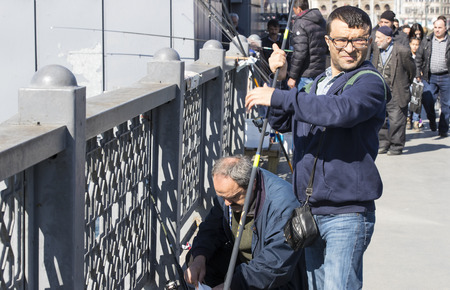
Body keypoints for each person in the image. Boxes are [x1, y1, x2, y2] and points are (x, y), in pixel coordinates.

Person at [245, 6, 389, 289]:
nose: (350, 48)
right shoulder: (318, 84)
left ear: (369, 41)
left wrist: (281, 97)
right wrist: (281, 78)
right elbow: (282, 121)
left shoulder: (369, 83)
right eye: (341, 41)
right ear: (327, 42)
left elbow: (339, 111)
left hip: (347, 215)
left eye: (358, 40)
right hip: (310, 213)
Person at [184, 156, 306, 290]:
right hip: (243, 262)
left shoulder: (283, 204)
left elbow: (275, 262)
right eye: (222, 196)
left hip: (276, 276)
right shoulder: (228, 195)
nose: (227, 203)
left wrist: (232, 286)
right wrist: (199, 259)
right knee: (198, 258)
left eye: (234, 197)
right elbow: (211, 229)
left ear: (252, 184)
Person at [372, 26, 416, 155]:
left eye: (379, 38)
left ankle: (396, 146)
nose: (376, 40)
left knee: (397, 121)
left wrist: (403, 84)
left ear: (388, 39)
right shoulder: (377, 49)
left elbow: (411, 71)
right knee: (381, 119)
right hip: (380, 92)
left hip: (396, 91)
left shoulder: (402, 51)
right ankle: (383, 143)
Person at [415, 15, 450, 137]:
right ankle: (431, 119)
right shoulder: (427, 40)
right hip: (430, 77)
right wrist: (417, 72)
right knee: (427, 99)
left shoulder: (449, 41)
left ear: (446, 28)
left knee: (446, 104)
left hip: (446, 76)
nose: (437, 30)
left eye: (440, 27)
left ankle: (443, 129)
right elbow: (419, 57)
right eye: (435, 27)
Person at [287, 0, 327, 91]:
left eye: (294, 10)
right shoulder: (322, 21)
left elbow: (300, 52)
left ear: (299, 9)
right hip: (320, 72)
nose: (294, 13)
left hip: (305, 74)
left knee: (302, 102)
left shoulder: (300, 23)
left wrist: (292, 76)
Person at [408, 36, 423, 131]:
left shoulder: (421, 55)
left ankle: (416, 121)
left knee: (417, 101)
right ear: (410, 44)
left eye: (417, 45)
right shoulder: (407, 55)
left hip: (418, 82)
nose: (415, 47)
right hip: (409, 81)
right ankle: (408, 118)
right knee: (409, 102)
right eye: (413, 44)